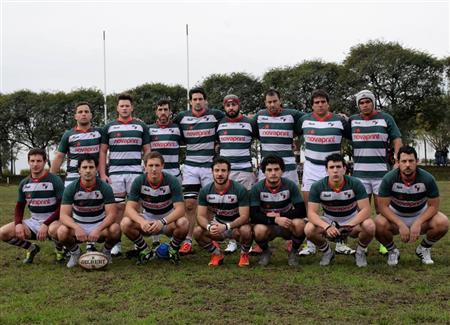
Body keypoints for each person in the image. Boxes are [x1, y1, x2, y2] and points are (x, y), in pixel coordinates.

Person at [297, 89, 353, 256]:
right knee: (310, 208)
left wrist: (348, 119)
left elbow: (352, 135)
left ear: (328, 103)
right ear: (312, 105)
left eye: (323, 101)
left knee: (339, 206)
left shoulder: (339, 121)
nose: (320, 105)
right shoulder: (304, 120)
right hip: (311, 168)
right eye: (316, 102)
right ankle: (311, 244)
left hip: (333, 168)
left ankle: (341, 243)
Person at [375, 146, 449, 266]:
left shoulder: (428, 179)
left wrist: (418, 222)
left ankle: (423, 249)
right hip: (396, 214)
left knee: (443, 222)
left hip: (420, 213)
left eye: (411, 161)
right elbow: (382, 207)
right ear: (398, 163)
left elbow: (433, 206)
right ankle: (392, 251)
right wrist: (400, 224)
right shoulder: (389, 178)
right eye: (404, 161)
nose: (408, 165)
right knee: (377, 223)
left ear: (417, 161)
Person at [173, 87, 225, 254]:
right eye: (194, 99)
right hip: (190, 166)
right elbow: (169, 127)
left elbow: (229, 124)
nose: (197, 102)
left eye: (200, 99)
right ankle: (187, 240)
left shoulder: (215, 115)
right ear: (190, 102)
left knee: (210, 204)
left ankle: (211, 237)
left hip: (209, 166)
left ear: (205, 100)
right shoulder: (182, 118)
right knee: (189, 204)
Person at [350, 90, 402, 255]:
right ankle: (362, 245)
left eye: (367, 101)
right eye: (361, 102)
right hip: (359, 175)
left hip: (382, 174)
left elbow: (397, 139)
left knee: (382, 211)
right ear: (358, 105)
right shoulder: (352, 120)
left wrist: (398, 159)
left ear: (373, 102)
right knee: (361, 213)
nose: (365, 105)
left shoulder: (386, 118)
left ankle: (384, 243)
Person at [99, 93, 151, 256]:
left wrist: (147, 169)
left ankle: (138, 243)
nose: (124, 108)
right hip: (115, 172)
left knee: (136, 207)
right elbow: (102, 151)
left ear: (132, 107)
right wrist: (102, 173)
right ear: (117, 108)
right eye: (122, 106)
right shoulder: (109, 127)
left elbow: (147, 150)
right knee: (118, 208)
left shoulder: (141, 127)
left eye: (127, 105)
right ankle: (116, 243)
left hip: (136, 171)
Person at [304, 154, 374, 267]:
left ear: (344, 169)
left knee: (370, 225)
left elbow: (366, 210)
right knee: (308, 229)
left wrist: (349, 225)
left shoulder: (355, 183)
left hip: (351, 220)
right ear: (326, 170)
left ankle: (360, 253)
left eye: (338, 167)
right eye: (331, 167)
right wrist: (326, 226)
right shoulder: (317, 186)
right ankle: (327, 252)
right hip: (329, 221)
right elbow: (311, 213)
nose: (335, 171)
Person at [121, 152, 188, 265]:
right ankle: (145, 250)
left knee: (184, 222)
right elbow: (129, 208)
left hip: (167, 219)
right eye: (151, 165)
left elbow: (180, 209)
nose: (154, 169)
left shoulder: (171, 180)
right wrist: (142, 222)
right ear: (145, 167)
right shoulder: (139, 181)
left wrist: (162, 222)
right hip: (148, 218)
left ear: (162, 166)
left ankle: (173, 249)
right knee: (125, 223)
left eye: (157, 165)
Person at [0, 148, 64, 264]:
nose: (35, 164)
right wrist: (18, 224)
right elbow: (19, 207)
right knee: (3, 233)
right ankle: (31, 248)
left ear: (45, 162)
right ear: (28, 162)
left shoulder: (55, 180)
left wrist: (46, 224)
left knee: (55, 229)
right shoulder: (24, 183)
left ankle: (60, 251)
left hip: (54, 220)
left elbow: (63, 208)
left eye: (39, 161)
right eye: (32, 161)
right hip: (34, 221)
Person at [56, 155, 121, 268]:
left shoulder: (105, 187)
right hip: (79, 225)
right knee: (61, 231)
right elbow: (63, 215)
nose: (87, 171)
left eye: (91, 167)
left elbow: (112, 214)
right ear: (79, 170)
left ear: (96, 169)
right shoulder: (71, 188)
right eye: (84, 167)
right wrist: (76, 228)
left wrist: (98, 229)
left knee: (116, 229)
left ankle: (105, 253)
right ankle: (76, 254)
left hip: (99, 225)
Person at [193, 157, 252, 267]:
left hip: (236, 227)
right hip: (218, 226)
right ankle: (216, 254)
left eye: (223, 170)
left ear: (229, 172)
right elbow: (200, 216)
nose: (220, 174)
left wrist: (226, 226)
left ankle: (244, 254)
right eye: (217, 170)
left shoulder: (239, 189)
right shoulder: (205, 190)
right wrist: (209, 227)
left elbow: (245, 216)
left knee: (246, 230)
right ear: (212, 172)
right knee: (197, 231)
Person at [216, 94, 256, 254]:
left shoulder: (249, 123)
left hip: (245, 170)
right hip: (228, 171)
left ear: (239, 105)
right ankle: (232, 240)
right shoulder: (220, 124)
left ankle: (248, 240)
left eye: (234, 104)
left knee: (247, 207)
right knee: (230, 206)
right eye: (228, 105)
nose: (231, 107)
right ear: (224, 107)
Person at [251, 155, 306, 267]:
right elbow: (254, 215)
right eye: (269, 170)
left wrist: (280, 216)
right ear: (264, 172)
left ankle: (293, 251)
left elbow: (301, 210)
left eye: (276, 169)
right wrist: (275, 220)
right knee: (258, 230)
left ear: (282, 171)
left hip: (286, 224)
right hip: (268, 225)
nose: (273, 173)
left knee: (300, 224)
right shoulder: (257, 188)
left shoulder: (290, 185)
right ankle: (266, 251)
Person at [148, 98, 183, 247]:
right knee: (151, 203)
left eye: (166, 109)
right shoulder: (148, 129)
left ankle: (171, 236)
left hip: (174, 173)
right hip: (154, 173)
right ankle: (154, 237)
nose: (163, 112)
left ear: (170, 112)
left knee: (173, 205)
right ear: (156, 111)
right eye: (160, 109)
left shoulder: (177, 128)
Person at [51, 102, 103, 187]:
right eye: (80, 112)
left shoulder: (99, 132)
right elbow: (59, 156)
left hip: (94, 177)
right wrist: (51, 177)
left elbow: (104, 153)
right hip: (73, 177)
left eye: (86, 112)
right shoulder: (68, 134)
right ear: (75, 116)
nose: (83, 114)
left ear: (91, 115)